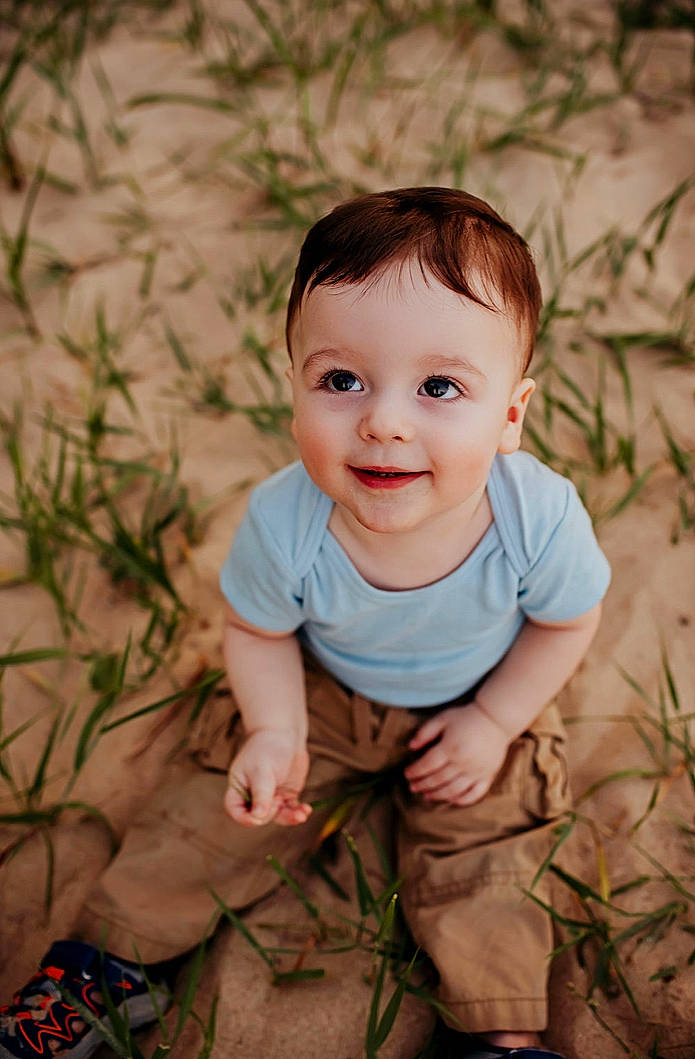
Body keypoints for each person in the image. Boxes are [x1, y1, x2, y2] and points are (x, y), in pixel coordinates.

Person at [0, 188, 610, 1059]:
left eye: (440, 386)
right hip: (321, 688)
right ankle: (103, 969)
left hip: (482, 691)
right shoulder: (283, 521)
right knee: (211, 811)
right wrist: (275, 726)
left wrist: (493, 721)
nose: (383, 421)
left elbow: (565, 623)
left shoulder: (537, 518)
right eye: (340, 380)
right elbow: (258, 632)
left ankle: (500, 1034)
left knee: (489, 857)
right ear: (293, 389)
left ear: (510, 415)